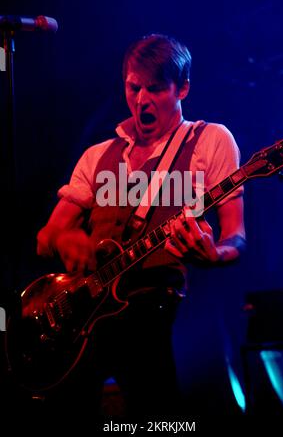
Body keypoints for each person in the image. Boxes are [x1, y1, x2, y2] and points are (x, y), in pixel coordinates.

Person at [36, 34, 245, 428]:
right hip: (90, 322)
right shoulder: (97, 156)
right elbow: (45, 236)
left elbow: (237, 235)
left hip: (167, 318)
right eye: (134, 88)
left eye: (155, 89)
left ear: (182, 87)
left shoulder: (210, 140)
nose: (141, 100)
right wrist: (66, 238)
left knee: (160, 416)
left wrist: (214, 254)